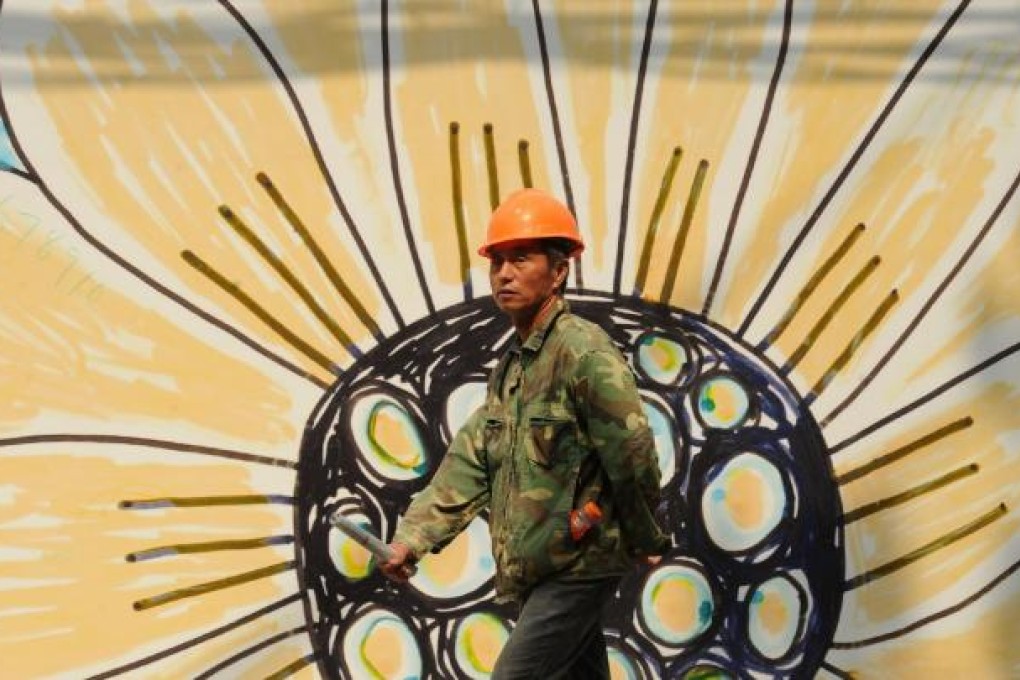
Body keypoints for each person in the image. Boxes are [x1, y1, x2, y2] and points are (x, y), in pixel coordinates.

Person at [382, 188, 670, 679]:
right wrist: (412, 539)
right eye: (497, 263)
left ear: (558, 272)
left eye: (520, 259)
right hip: (544, 566)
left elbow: (632, 449)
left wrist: (646, 536)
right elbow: (471, 462)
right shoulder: (513, 368)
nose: (504, 274)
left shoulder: (582, 352)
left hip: (581, 562)